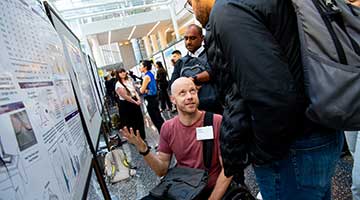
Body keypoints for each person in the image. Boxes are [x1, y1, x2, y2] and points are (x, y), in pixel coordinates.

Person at [187, 0, 344, 199]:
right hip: (320, 128)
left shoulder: (229, 9)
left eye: (189, 1)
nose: (191, 7)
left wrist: (258, 155)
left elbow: (272, 98)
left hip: (293, 150)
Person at [121, 77, 232, 199]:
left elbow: (228, 170)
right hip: (183, 187)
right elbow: (161, 170)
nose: (189, 96)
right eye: (182, 93)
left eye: (192, 91)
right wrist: (144, 150)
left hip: (208, 189)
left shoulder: (216, 121)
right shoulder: (168, 128)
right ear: (172, 99)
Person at [169, 24, 222, 114]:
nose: (188, 42)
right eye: (186, 38)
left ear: (202, 38)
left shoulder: (212, 54)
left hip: (216, 107)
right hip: (192, 112)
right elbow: (173, 84)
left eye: (192, 38)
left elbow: (216, 72)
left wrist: (193, 79)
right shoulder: (181, 62)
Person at [115, 68, 146, 140]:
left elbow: (134, 91)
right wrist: (135, 102)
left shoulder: (129, 80)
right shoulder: (118, 84)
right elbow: (126, 97)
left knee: (140, 119)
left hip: (134, 100)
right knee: (132, 122)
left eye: (123, 72)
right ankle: (137, 139)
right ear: (118, 74)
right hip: (126, 105)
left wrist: (138, 99)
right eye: (120, 72)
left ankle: (142, 137)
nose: (123, 73)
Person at [139, 60, 164, 133]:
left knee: (156, 119)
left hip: (150, 99)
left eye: (141, 66)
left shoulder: (146, 76)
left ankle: (164, 136)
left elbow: (141, 90)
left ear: (145, 67)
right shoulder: (150, 74)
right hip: (154, 98)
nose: (139, 68)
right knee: (158, 117)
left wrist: (142, 89)